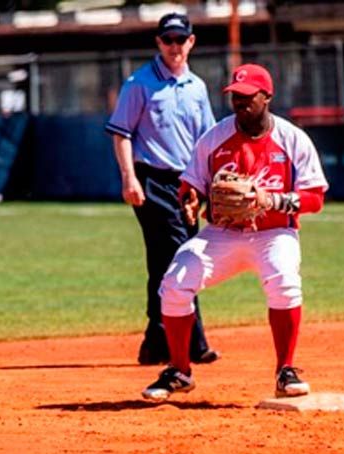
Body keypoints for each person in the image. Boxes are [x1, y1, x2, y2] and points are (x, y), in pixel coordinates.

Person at [141, 63, 329, 401]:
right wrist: (191, 200)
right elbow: (190, 186)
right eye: (235, 96)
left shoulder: (292, 139)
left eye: (247, 96)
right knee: (175, 280)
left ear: (266, 96)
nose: (240, 102)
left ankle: (285, 370)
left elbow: (315, 198)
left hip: (274, 232)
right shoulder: (215, 138)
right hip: (224, 233)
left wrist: (269, 199)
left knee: (285, 280)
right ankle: (180, 371)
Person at [105, 12, 219, 366]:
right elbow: (121, 132)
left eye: (180, 39)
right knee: (180, 254)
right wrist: (129, 177)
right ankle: (194, 342)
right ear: (158, 42)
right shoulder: (139, 83)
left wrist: (208, 187)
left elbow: (207, 139)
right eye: (167, 39)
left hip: (187, 182)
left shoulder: (197, 87)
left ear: (191, 42)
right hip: (152, 179)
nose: (174, 46)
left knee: (165, 262)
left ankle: (156, 342)